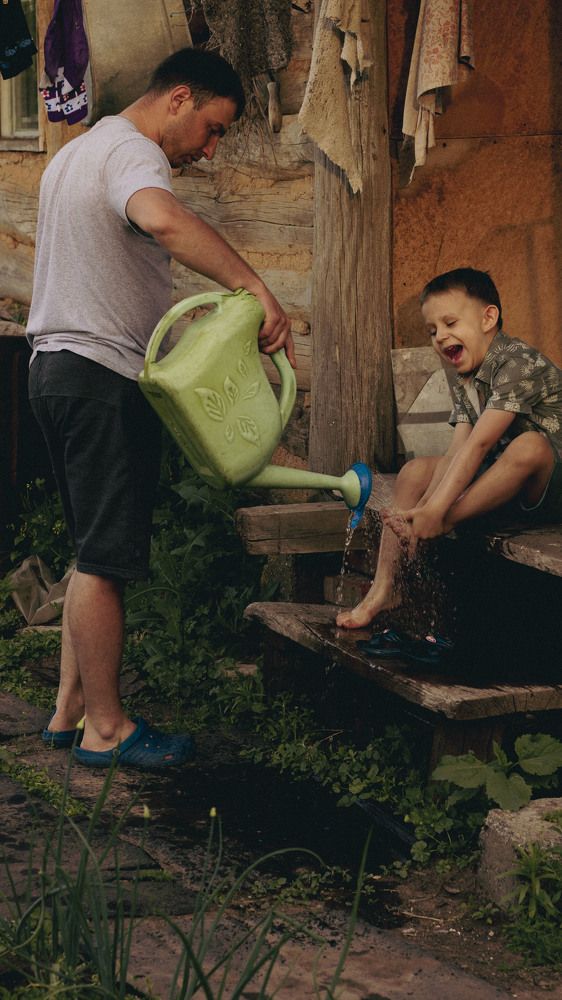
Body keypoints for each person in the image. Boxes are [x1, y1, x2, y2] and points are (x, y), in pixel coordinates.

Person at [27, 47, 296, 769]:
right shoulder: (134, 155)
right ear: (178, 98)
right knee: (105, 558)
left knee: (92, 552)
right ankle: (107, 729)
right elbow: (163, 219)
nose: (209, 149)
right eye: (211, 128)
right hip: (97, 376)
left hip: (52, 370)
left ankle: (69, 711)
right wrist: (256, 288)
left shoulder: (77, 154)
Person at [337, 267, 562, 631]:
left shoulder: (518, 363)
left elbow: (480, 443)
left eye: (450, 322)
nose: (441, 337)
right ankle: (384, 589)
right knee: (414, 472)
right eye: (432, 330)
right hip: (506, 484)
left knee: (529, 445)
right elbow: (459, 449)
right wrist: (423, 506)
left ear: (489, 317)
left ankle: (443, 522)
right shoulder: (467, 375)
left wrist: (440, 510)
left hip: (552, 485)